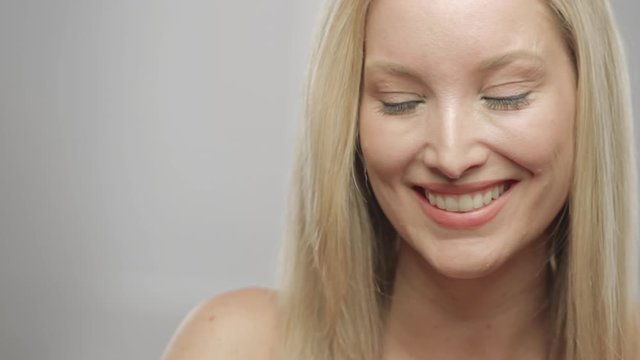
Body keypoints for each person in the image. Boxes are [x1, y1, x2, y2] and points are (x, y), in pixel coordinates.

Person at [162, 0, 638, 359]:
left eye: (505, 96)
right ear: (349, 123)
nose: (451, 156)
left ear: (587, 99)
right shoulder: (235, 347)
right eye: (400, 101)